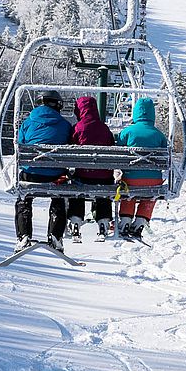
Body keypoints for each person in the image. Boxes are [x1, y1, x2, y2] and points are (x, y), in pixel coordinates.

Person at [14, 90, 72, 252]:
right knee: (58, 197)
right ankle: (56, 235)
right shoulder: (65, 125)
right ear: (58, 105)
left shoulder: (27, 123)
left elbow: (20, 145)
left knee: (24, 199)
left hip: (30, 174)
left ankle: (23, 235)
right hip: (55, 175)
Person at [116, 96, 168, 238]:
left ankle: (126, 220)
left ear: (136, 113)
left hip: (130, 180)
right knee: (150, 196)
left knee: (129, 193)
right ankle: (141, 220)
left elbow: (117, 154)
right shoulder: (159, 135)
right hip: (153, 181)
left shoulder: (127, 132)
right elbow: (166, 158)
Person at [67, 96, 115, 239]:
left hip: (82, 177)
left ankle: (75, 220)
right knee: (104, 186)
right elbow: (112, 147)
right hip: (104, 178)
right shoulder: (104, 128)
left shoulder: (77, 128)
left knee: (77, 186)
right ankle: (103, 221)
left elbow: (70, 147)